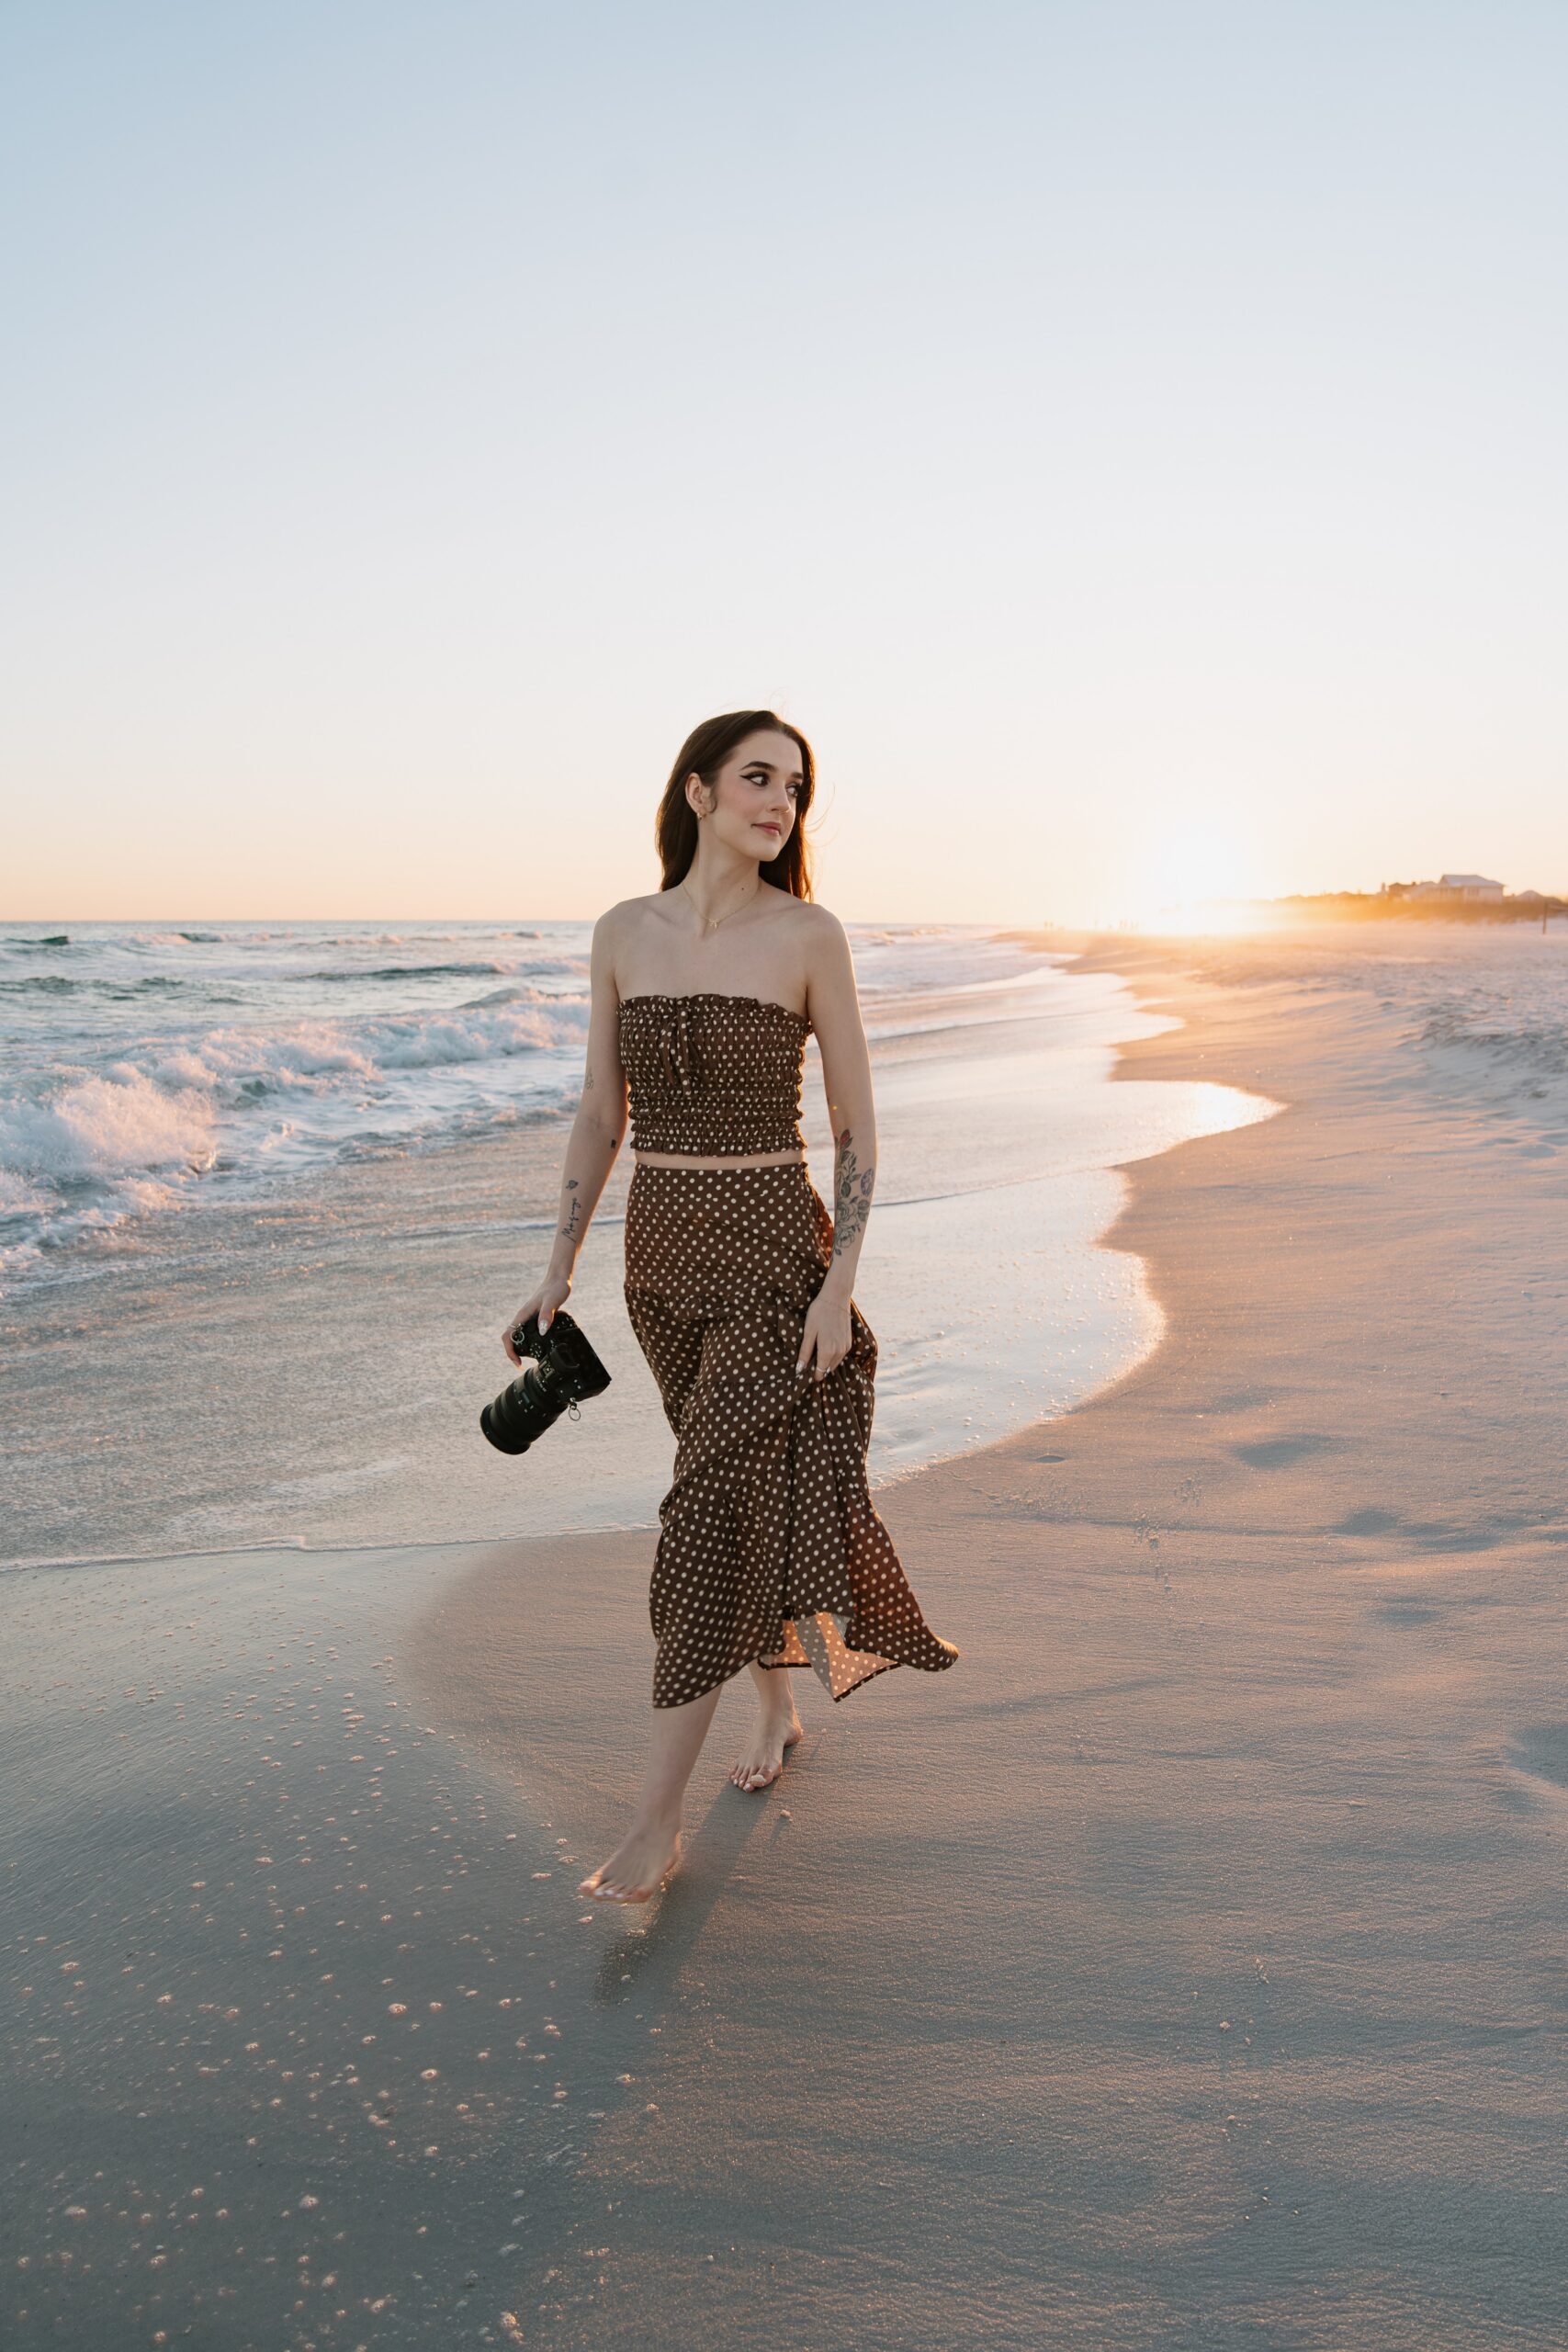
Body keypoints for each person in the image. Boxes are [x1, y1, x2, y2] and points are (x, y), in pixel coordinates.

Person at [502, 709, 958, 1905]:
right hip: (657, 1268)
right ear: (698, 790)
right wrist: (556, 1269)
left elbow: (856, 1125)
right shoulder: (622, 932)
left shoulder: (808, 935)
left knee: (701, 1521)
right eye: (759, 778)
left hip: (771, 1261)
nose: (780, 804)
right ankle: (775, 1705)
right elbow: (601, 1115)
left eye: (795, 788)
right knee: (735, 1499)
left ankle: (655, 1825)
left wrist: (839, 1284)